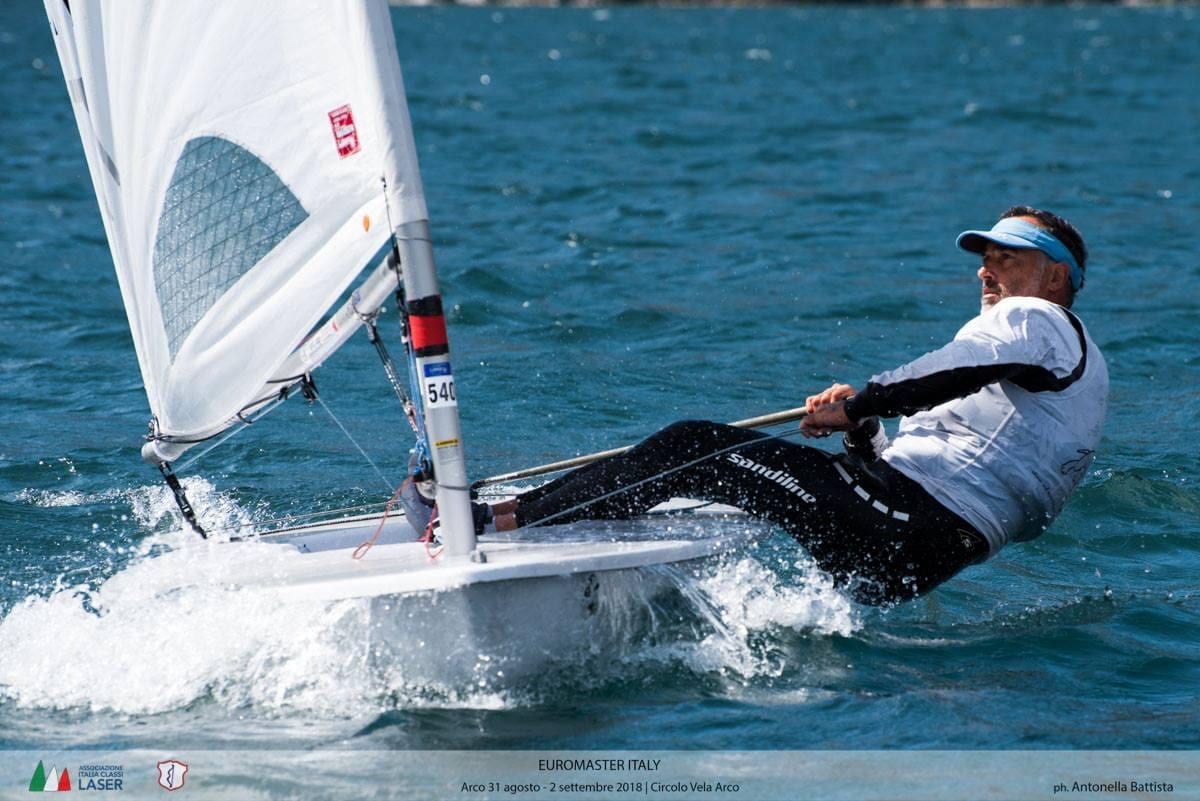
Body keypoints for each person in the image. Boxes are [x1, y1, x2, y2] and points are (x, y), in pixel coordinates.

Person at [481, 206, 1108, 605]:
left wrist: (867, 397)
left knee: (690, 446)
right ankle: (569, 527)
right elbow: (956, 458)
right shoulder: (1055, 364)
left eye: (1008, 259)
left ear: (1056, 278)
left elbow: (955, 374)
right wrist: (864, 429)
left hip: (909, 523)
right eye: (985, 260)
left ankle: (506, 523)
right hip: (918, 554)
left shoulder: (1038, 320)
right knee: (703, 482)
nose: (986, 273)